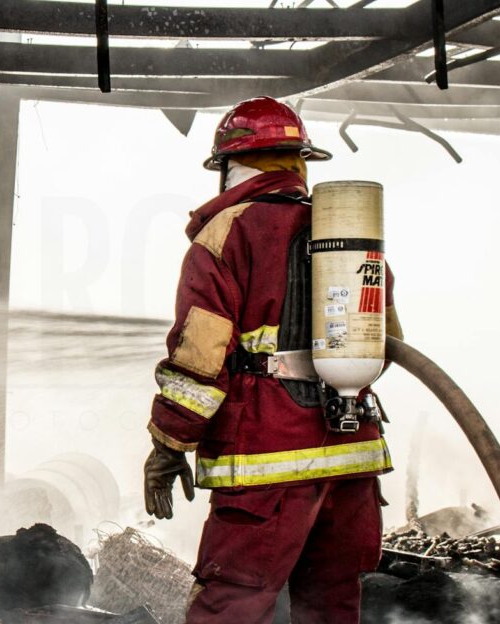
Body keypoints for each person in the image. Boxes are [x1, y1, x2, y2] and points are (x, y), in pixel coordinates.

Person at [142, 97, 403, 623]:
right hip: (353, 459)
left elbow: (198, 364)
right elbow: (388, 341)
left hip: (266, 467)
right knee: (330, 608)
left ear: (228, 166)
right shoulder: (346, 237)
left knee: (230, 609)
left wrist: (168, 445)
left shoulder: (225, 235)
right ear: (300, 161)